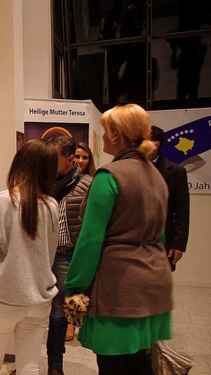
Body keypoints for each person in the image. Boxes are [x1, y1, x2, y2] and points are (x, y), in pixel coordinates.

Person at [65, 104, 172, 375]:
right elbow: (160, 233)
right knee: (140, 363)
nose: (102, 136)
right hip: (152, 280)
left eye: (104, 130)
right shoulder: (156, 176)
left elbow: (90, 240)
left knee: (113, 365)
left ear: (116, 135)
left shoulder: (109, 177)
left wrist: (75, 285)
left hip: (118, 285)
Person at [0, 136, 92, 375]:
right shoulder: (51, 206)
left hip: (4, 299)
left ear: (18, 164)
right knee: (30, 365)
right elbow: (48, 257)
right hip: (38, 300)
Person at [149, 125, 190, 270]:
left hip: (163, 238)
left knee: (158, 283)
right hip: (134, 240)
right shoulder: (129, 168)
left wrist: (178, 244)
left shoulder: (176, 172)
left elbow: (182, 212)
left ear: (156, 144)